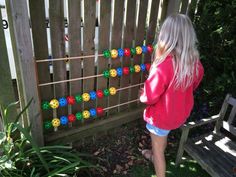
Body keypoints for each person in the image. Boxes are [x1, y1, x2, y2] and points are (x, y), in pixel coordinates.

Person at [139, 14, 204, 177]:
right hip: (179, 115)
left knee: (158, 150)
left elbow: (150, 97)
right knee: (162, 136)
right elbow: (194, 86)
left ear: (165, 36)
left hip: (162, 118)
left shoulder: (163, 66)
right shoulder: (195, 64)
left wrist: (142, 96)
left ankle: (156, 160)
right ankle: (155, 153)